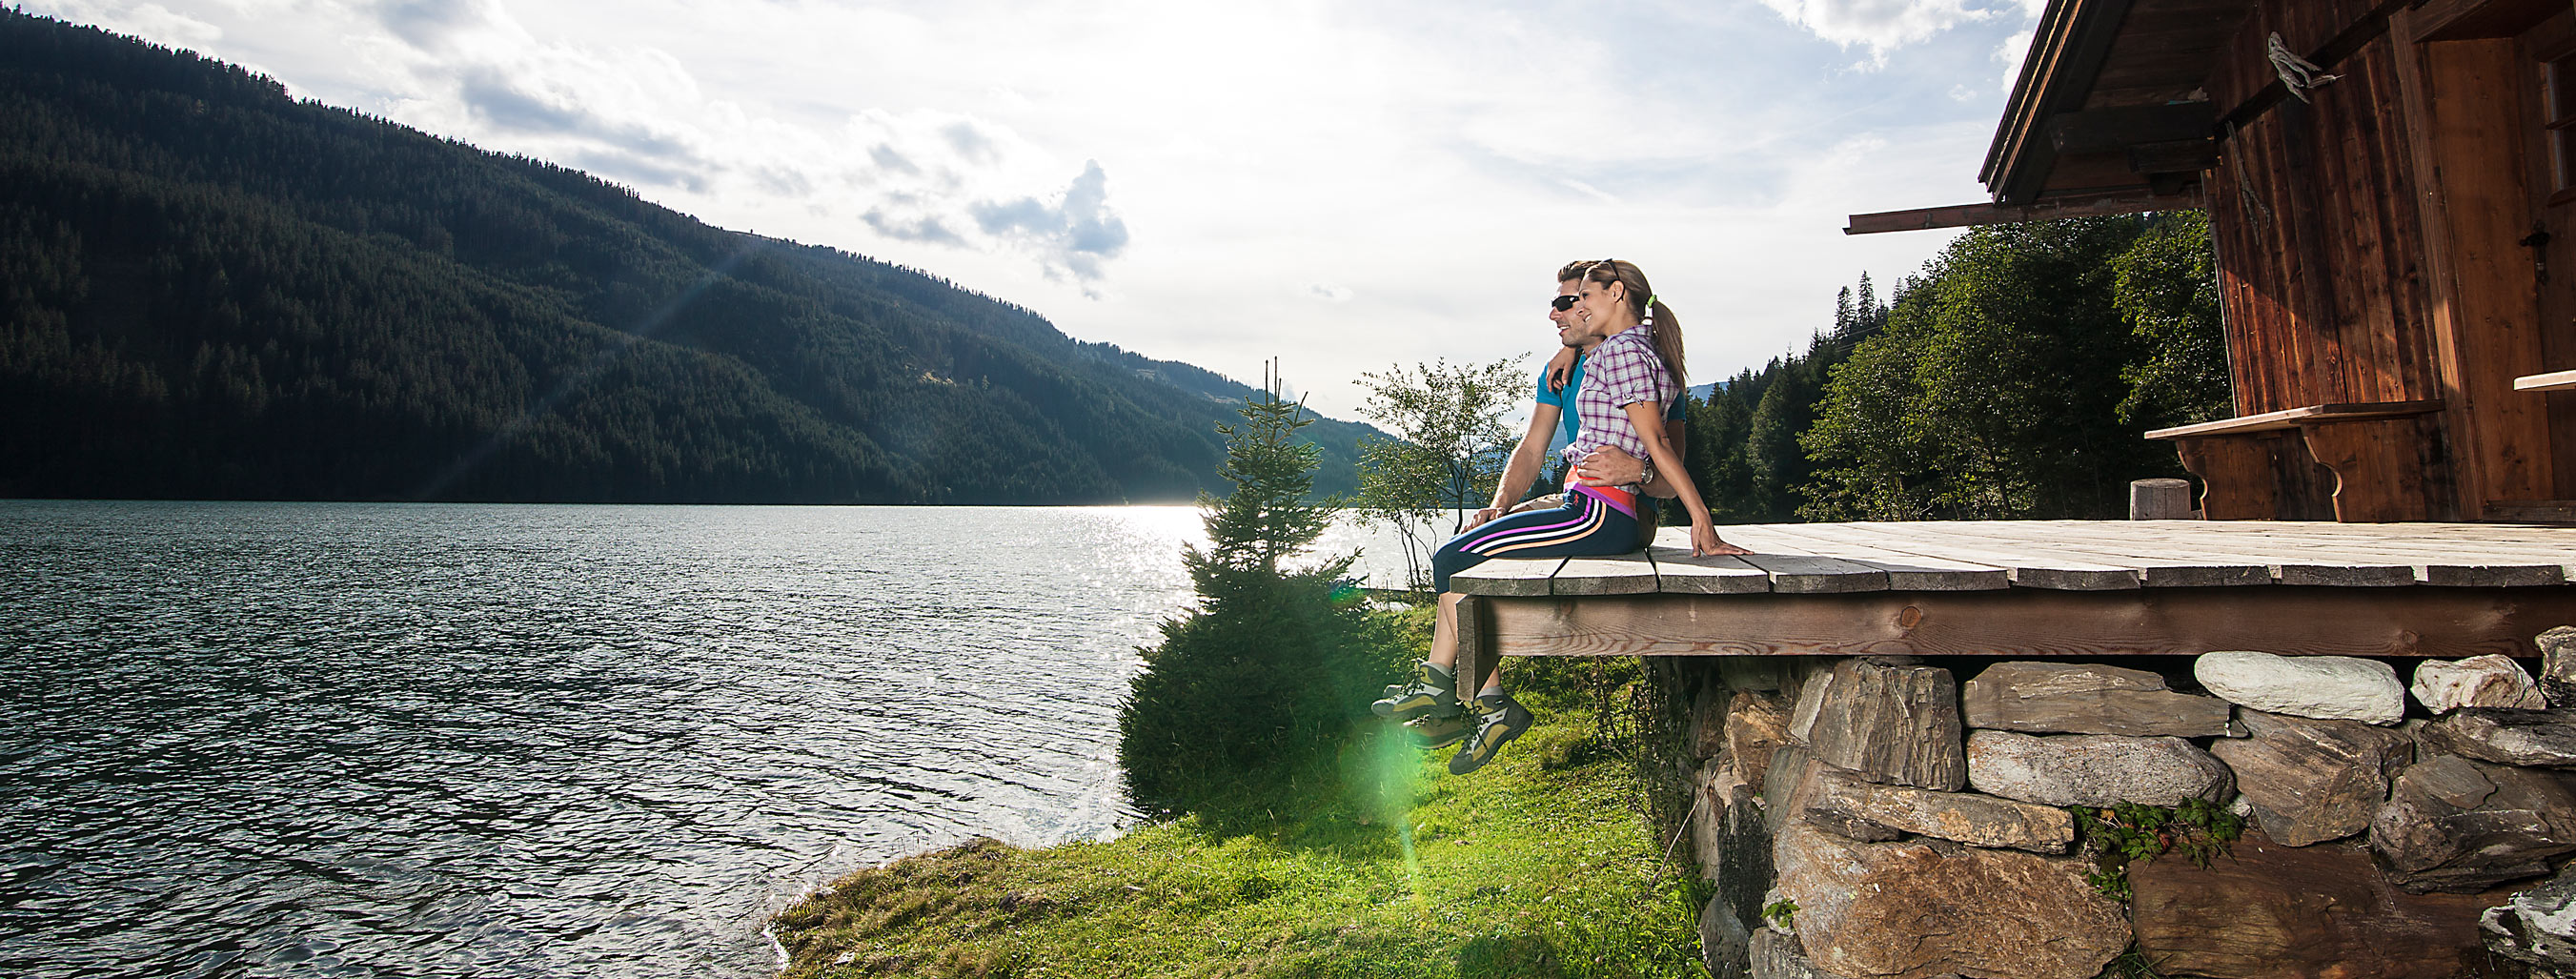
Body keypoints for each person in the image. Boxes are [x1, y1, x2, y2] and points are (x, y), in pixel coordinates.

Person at [1375, 259, 1746, 775]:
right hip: (1583, 503)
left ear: (1609, 297)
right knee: (1467, 550)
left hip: (1611, 511)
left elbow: (1662, 455)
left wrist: (1691, 512)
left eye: (1572, 302)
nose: (1556, 313)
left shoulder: (1629, 359)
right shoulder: (1580, 365)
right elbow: (1532, 448)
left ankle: (1465, 696)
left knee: (1456, 561)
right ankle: (1466, 700)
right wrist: (1500, 506)